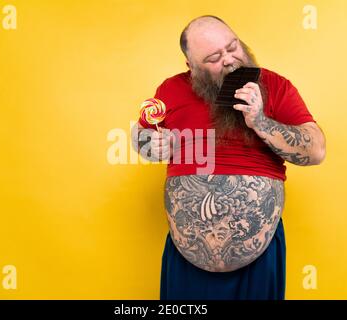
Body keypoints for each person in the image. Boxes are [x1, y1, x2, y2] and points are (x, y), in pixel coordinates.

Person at [132, 15, 326, 300]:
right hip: (186, 257)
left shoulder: (276, 86)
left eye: (233, 46)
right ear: (192, 67)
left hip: (257, 257)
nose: (229, 59)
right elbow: (141, 136)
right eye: (213, 57)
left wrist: (260, 121)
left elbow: (316, 151)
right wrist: (151, 144)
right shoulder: (171, 90)